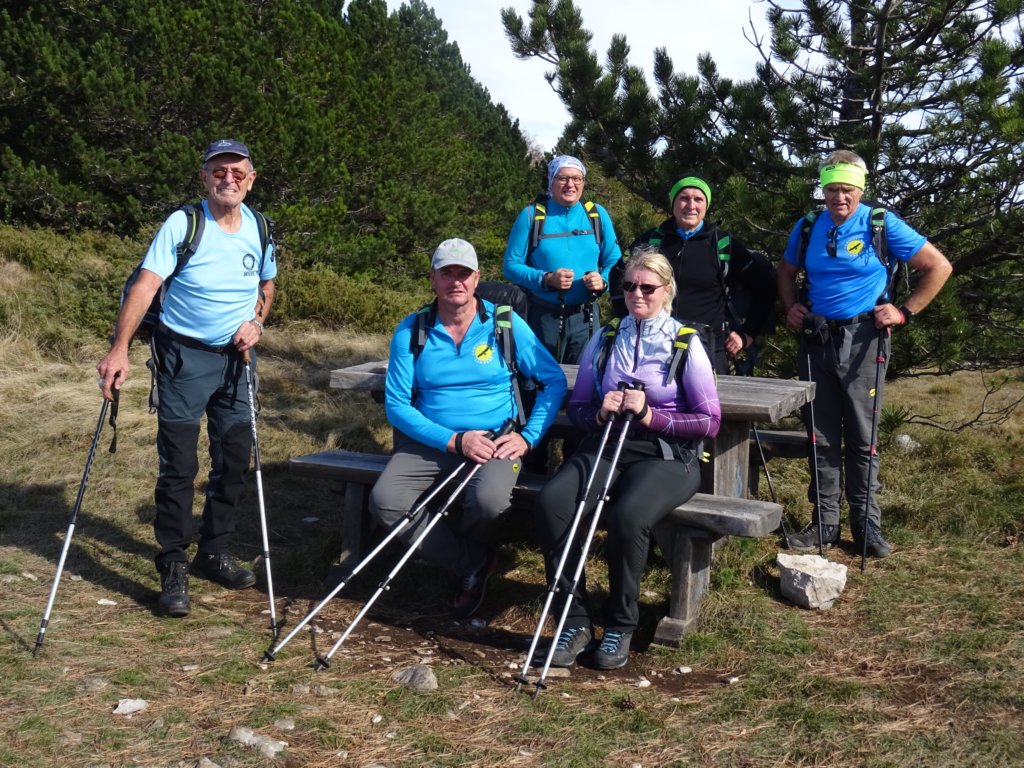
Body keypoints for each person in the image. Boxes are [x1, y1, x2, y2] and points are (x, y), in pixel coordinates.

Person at [97, 138, 276, 617]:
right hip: (183, 359)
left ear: (251, 179)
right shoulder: (184, 223)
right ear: (205, 177)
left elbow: (267, 284)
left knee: (234, 460)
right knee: (179, 466)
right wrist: (119, 349)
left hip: (237, 361)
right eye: (219, 171)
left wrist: (256, 323)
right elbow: (145, 286)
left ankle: (213, 551)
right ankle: (173, 564)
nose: (228, 180)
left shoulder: (260, 226)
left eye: (237, 172)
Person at [534, 251, 721, 670]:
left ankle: (620, 624)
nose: (637, 294)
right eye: (630, 286)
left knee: (628, 516)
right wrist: (600, 412)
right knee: (553, 503)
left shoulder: (685, 342)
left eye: (648, 287)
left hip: (668, 455)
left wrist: (651, 415)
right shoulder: (605, 338)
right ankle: (573, 620)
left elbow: (709, 422)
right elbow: (579, 407)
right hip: (608, 443)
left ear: (666, 291)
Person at [370, 238, 567, 618]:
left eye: (464, 273)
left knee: (488, 502)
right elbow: (396, 406)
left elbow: (553, 380)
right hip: (433, 440)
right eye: (447, 273)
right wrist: (454, 440)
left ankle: (462, 562)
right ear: (432, 278)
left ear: (477, 278)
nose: (456, 282)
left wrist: (528, 438)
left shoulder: (505, 324)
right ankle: (472, 562)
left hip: (496, 440)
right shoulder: (411, 330)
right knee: (385, 501)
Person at [777, 150, 952, 557]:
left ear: (860, 190)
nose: (839, 198)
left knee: (862, 435)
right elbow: (785, 271)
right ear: (823, 190)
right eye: (832, 189)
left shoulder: (880, 223)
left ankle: (865, 525)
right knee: (820, 435)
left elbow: (938, 266)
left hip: (865, 339)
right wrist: (791, 308)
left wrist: (905, 311)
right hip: (817, 339)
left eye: (848, 190)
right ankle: (824, 524)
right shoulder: (808, 226)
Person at [613, 175, 777, 374]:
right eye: (684, 198)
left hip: (707, 347)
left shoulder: (722, 244)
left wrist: (747, 334)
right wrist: (627, 319)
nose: (691, 206)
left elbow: (765, 288)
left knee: (705, 397)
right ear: (673, 203)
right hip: (652, 347)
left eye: (698, 199)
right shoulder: (652, 241)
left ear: (706, 205)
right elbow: (617, 275)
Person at [503, 154, 622, 365]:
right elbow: (511, 265)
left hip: (586, 317)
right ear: (551, 181)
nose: (570, 184)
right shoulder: (531, 216)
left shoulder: (596, 215)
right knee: (541, 378)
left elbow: (615, 261)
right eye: (562, 178)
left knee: (584, 378)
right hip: (543, 316)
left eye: (577, 179)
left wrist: (603, 280)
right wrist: (546, 279)